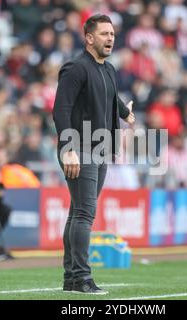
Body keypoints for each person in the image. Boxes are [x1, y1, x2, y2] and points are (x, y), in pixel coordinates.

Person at [52, 14, 135, 294]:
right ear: (89, 38)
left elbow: (112, 97)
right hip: (80, 148)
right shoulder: (75, 68)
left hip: (99, 148)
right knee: (85, 213)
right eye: (103, 34)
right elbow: (60, 110)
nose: (110, 38)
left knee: (78, 212)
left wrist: (126, 112)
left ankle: (72, 279)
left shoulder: (108, 69)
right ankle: (82, 277)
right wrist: (68, 149)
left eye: (112, 34)